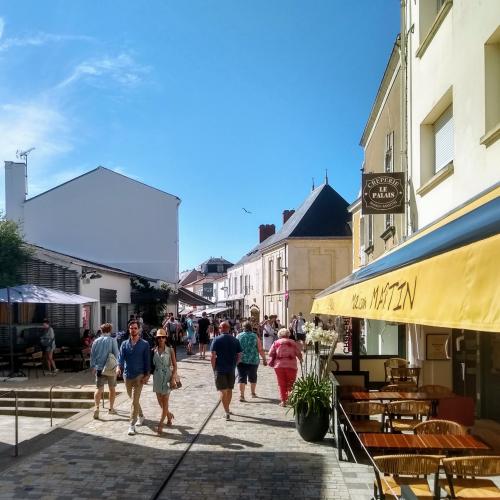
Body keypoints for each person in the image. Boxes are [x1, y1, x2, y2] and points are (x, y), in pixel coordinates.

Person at [117, 320, 151, 436]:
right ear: (129, 329)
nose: (133, 330)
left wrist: (147, 374)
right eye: (131, 328)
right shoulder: (124, 344)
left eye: (135, 328)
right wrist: (119, 367)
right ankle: (141, 415)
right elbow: (121, 357)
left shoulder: (145, 344)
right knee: (133, 400)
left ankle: (131, 425)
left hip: (139, 375)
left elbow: (147, 360)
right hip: (127, 375)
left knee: (134, 401)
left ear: (139, 329)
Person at [210, 321, 242, 420]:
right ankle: (227, 408)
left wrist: (213, 368)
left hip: (220, 368)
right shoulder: (235, 340)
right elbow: (240, 355)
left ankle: (226, 411)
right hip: (231, 368)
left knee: (223, 391)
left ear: (220, 329)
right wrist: (235, 364)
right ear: (229, 329)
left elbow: (213, 356)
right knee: (229, 389)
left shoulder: (216, 339)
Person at [90, 322, 120, 419]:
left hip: (99, 368)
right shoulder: (112, 340)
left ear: (101, 331)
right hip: (110, 368)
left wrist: (93, 366)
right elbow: (116, 354)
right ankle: (111, 408)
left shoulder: (96, 341)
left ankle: (96, 407)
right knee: (112, 388)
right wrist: (118, 366)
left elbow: (92, 355)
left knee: (99, 389)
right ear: (110, 330)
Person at [268, 327, 303, 406]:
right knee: (291, 383)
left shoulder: (276, 343)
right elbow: (298, 353)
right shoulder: (293, 343)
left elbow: (270, 353)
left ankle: (283, 401)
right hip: (291, 365)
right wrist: (300, 359)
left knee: (281, 383)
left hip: (279, 365)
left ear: (279, 335)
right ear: (288, 334)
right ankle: (290, 399)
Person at [151, 329, 177, 435]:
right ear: (157, 339)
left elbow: (175, 365)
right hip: (157, 377)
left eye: (163, 337)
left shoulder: (170, 350)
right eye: (159, 337)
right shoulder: (153, 350)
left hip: (167, 376)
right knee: (160, 401)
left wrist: (172, 378)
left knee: (165, 400)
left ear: (166, 338)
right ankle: (168, 415)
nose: (161, 339)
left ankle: (161, 424)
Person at [236, 321, 267, 401]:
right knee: (253, 376)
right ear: (251, 328)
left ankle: (242, 396)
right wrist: (264, 359)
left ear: (243, 327)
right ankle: (253, 393)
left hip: (241, 360)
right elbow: (260, 349)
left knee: (241, 377)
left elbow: (235, 348)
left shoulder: (239, 336)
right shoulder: (255, 336)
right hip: (253, 360)